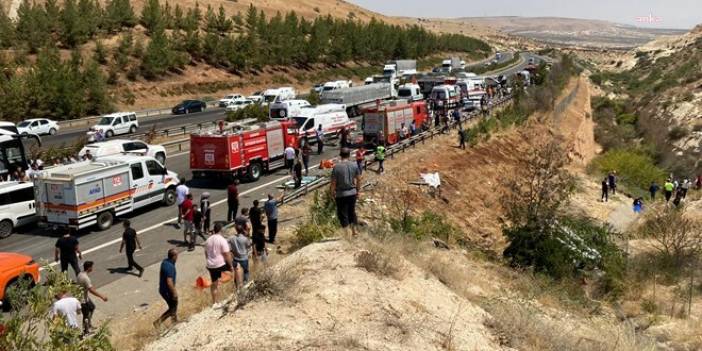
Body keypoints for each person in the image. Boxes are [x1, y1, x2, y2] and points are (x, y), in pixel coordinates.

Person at [330, 148, 362, 237]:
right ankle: (355, 232)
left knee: (342, 213)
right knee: (352, 212)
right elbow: (359, 179)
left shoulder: (336, 167)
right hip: (352, 193)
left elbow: (333, 183)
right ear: (349, 155)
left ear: (340, 155)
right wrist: (358, 191)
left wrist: (332, 193)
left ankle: (347, 234)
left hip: (341, 194)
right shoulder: (354, 165)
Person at [204, 223, 234, 304]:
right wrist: (231, 266)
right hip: (220, 264)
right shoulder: (222, 240)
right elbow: (227, 254)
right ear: (221, 230)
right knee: (236, 269)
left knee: (214, 283)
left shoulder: (208, 240)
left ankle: (214, 302)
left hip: (211, 264)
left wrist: (209, 261)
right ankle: (233, 292)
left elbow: (206, 253)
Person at [76, 261, 107, 336]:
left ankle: (89, 325)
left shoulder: (80, 274)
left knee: (92, 307)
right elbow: (91, 290)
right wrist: (102, 296)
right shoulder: (86, 278)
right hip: (82, 299)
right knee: (85, 315)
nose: (92, 268)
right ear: (89, 268)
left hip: (84, 296)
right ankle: (86, 331)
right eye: (92, 267)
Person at [154, 249, 178, 328]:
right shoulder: (170, 267)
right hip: (167, 290)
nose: (177, 257)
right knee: (173, 306)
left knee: (173, 305)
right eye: (176, 255)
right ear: (173, 256)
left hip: (163, 289)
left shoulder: (165, 262)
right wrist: (174, 292)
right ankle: (158, 322)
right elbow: (169, 281)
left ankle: (174, 320)